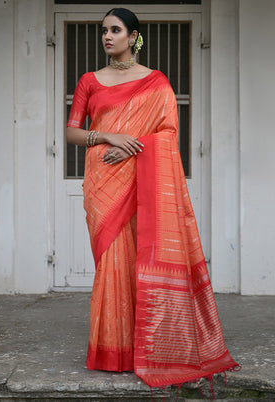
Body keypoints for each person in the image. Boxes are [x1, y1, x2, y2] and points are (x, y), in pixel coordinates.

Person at [66, 7, 241, 396]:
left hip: (140, 178)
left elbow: (167, 132)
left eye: (115, 30)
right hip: (103, 182)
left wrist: (133, 149)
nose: (107, 37)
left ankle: (147, 347)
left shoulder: (156, 82)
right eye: (103, 31)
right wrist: (108, 137)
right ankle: (112, 351)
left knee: (139, 257)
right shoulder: (89, 81)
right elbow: (72, 132)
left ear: (133, 36)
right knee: (111, 261)